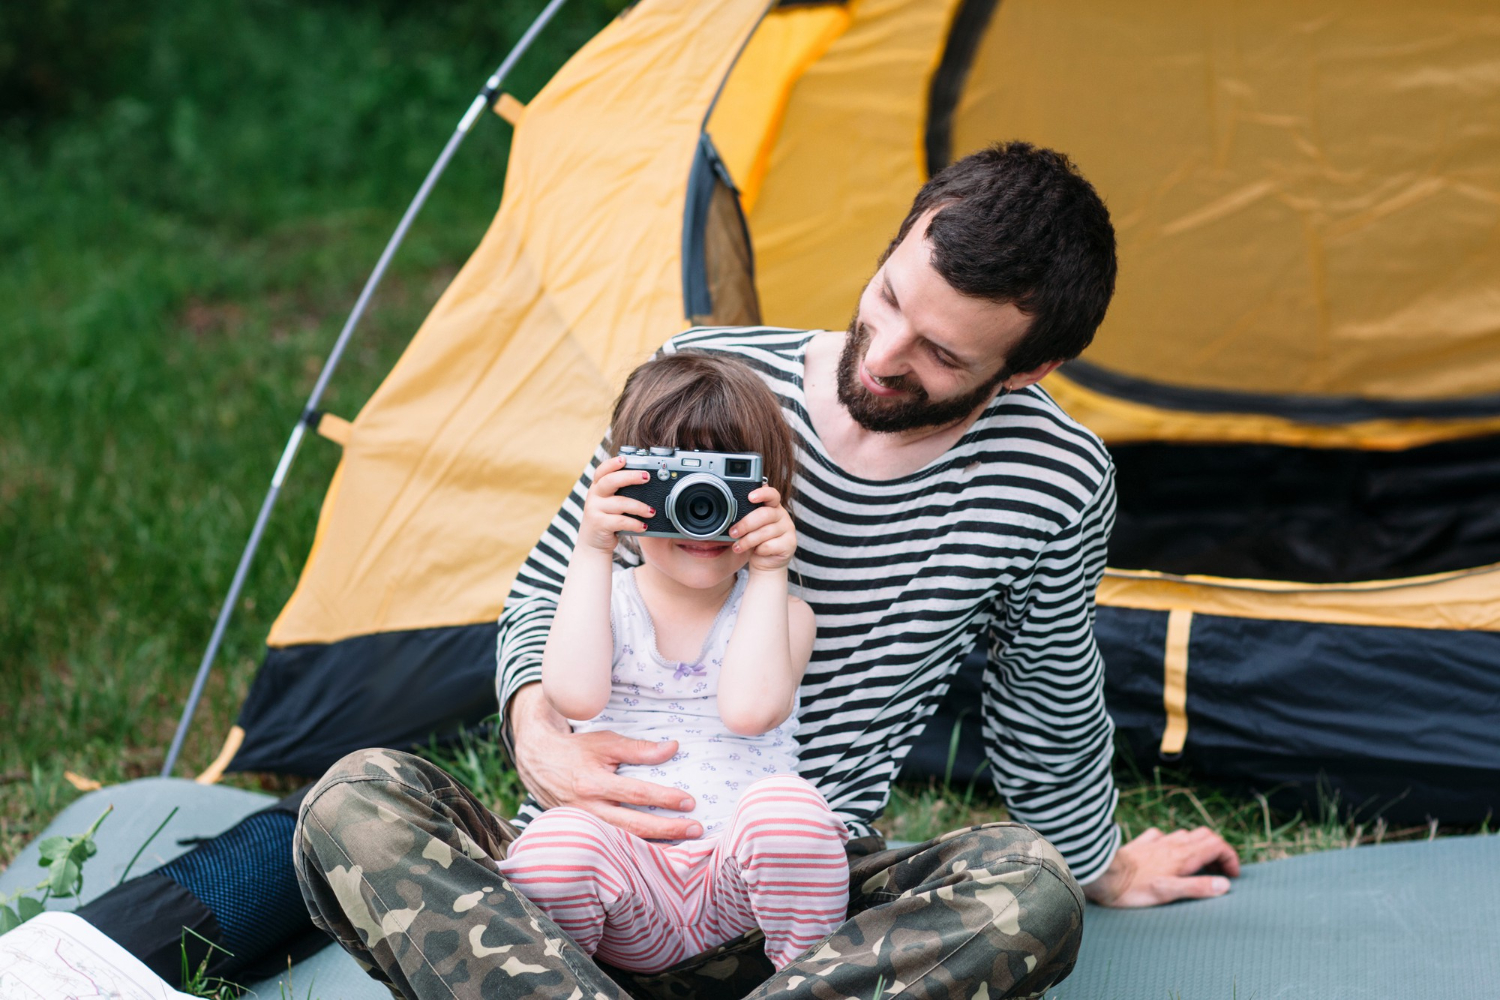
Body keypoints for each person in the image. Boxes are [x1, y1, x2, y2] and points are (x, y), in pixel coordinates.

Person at [295, 142, 1241, 1000]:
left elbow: (1045, 690)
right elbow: (551, 585)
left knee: (1030, 891)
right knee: (353, 802)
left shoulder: (1055, 479)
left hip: (800, 906)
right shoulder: (705, 379)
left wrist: (1094, 863)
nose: (886, 355)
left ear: (1028, 372)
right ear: (895, 246)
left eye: (941, 353)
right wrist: (535, 728)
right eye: (891, 298)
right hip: (579, 888)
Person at [497, 350, 850, 972]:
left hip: (738, 890)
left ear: (772, 494)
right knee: (554, 846)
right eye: (677, 481)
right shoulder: (602, 599)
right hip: (627, 888)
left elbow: (750, 711)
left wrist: (769, 569)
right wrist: (592, 547)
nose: (701, 512)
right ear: (625, 485)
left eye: (724, 484)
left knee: (790, 814)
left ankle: (806, 985)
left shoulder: (785, 612)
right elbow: (573, 696)